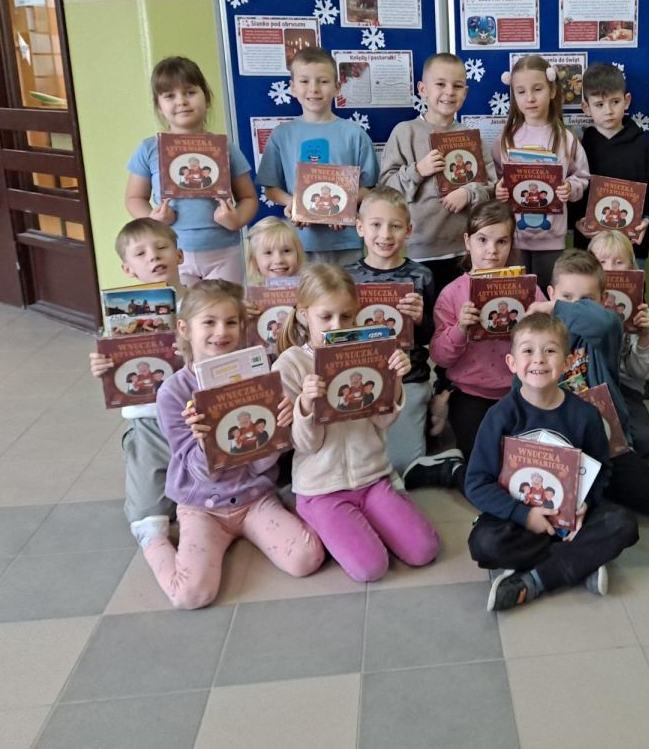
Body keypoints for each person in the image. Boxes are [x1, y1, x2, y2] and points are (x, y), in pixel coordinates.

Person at [146, 280, 324, 609]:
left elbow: (266, 459)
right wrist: (207, 442)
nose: (221, 331)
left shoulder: (258, 376)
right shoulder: (173, 393)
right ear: (184, 329)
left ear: (242, 326)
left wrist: (281, 427)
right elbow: (200, 472)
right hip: (202, 504)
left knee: (306, 558)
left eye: (231, 322)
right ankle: (151, 541)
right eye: (209, 322)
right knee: (191, 595)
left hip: (255, 497)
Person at [273, 264, 439, 583]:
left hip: (372, 476)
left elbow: (384, 421)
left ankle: (379, 510)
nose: (337, 326)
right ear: (304, 314)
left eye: (346, 316)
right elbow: (304, 444)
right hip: (321, 488)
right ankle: (311, 512)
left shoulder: (369, 352)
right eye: (326, 317)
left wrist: (393, 380)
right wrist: (306, 404)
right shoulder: (290, 365)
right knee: (371, 568)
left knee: (424, 550)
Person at [465, 313, 640, 610]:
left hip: (571, 518)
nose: (539, 359)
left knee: (623, 524)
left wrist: (585, 504)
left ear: (568, 361)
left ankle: (537, 578)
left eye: (550, 350)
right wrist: (523, 516)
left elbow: (601, 471)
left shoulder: (585, 415)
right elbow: (476, 484)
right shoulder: (500, 416)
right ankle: (581, 561)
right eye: (528, 350)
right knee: (484, 544)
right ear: (512, 363)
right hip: (520, 517)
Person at [406, 200, 545, 491]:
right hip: (470, 392)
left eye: (501, 241)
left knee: (529, 461)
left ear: (511, 243)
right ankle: (452, 454)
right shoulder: (452, 293)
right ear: (467, 241)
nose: (491, 250)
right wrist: (460, 329)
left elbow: (550, 337)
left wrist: (533, 325)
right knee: (483, 465)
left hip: (520, 389)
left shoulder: (528, 288)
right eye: (482, 240)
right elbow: (440, 357)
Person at [530, 249, 649, 514]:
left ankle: (588, 491)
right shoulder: (537, 338)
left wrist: (557, 307)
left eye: (586, 300)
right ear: (551, 292)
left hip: (604, 442)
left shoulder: (606, 330)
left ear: (604, 300)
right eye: (567, 297)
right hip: (554, 443)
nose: (575, 306)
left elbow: (601, 322)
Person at [88, 220, 186, 535]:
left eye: (161, 248)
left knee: (214, 500)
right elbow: (116, 366)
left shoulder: (203, 306)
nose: (153, 256)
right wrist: (103, 366)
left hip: (195, 418)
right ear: (127, 269)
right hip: (149, 422)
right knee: (149, 514)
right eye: (141, 254)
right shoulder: (120, 319)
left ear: (179, 255)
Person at [124, 57, 257, 285]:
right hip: (171, 252)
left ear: (207, 98)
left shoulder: (225, 148)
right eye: (170, 96)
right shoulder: (149, 149)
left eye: (190, 92)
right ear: (159, 107)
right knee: (182, 306)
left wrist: (236, 220)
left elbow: (248, 198)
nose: (182, 101)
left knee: (225, 305)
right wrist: (153, 219)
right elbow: (134, 198)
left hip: (224, 251)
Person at [378, 52, 493, 294]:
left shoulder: (473, 138)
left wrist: (469, 193)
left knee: (459, 313)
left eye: (457, 86)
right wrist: (418, 170)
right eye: (440, 84)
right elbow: (385, 190)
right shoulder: (405, 132)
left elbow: (492, 188)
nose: (449, 92)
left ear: (465, 93)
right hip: (417, 251)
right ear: (423, 89)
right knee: (423, 314)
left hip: (465, 250)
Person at [256, 47, 379, 267]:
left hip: (346, 241)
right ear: (292, 88)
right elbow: (271, 188)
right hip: (298, 244)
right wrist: (293, 203)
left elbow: (370, 189)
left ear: (337, 87)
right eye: (304, 81)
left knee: (346, 290)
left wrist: (344, 206)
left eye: (323, 81)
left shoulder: (354, 134)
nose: (313, 89)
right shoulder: (282, 135)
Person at [344, 186, 436, 474]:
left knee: (402, 465)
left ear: (408, 230)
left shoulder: (421, 275)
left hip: (408, 379)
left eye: (395, 226)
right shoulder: (346, 278)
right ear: (360, 227)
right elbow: (335, 336)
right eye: (376, 225)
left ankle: (426, 414)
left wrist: (420, 319)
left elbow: (430, 337)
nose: (385, 235)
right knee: (358, 464)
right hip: (361, 378)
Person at [492, 55, 590, 291]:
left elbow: (582, 177)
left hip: (552, 239)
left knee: (549, 296)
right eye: (521, 92)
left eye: (538, 89)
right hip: (512, 238)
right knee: (518, 296)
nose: (530, 98)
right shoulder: (506, 139)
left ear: (552, 91)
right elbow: (494, 178)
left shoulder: (566, 138)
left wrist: (570, 188)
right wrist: (498, 190)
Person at [569, 63, 649, 268]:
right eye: (599, 104)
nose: (608, 111)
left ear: (626, 101)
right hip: (589, 250)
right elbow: (571, 190)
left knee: (629, 289)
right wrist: (577, 221)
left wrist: (648, 219)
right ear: (586, 108)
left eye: (614, 102)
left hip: (632, 249)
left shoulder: (645, 148)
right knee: (588, 288)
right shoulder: (579, 149)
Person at [587, 230, 649, 460]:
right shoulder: (578, 306)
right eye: (601, 262)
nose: (610, 269)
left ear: (632, 267)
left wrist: (644, 337)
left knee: (644, 441)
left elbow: (643, 374)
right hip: (585, 386)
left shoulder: (640, 313)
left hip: (624, 389)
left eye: (619, 262)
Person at [244, 217, 305, 285]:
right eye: (268, 253)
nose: (279, 260)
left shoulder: (308, 288)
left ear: (298, 254)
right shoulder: (249, 290)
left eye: (286, 251)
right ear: (254, 260)